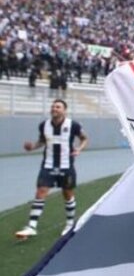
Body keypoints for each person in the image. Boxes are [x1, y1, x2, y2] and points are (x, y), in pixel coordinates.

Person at [15, 99, 89, 239]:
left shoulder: (73, 125)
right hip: (48, 165)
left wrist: (79, 149)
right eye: (53, 106)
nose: (54, 109)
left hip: (66, 165)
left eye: (58, 107)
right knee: (41, 191)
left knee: (67, 194)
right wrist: (32, 147)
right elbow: (42, 141)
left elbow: (84, 138)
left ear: (64, 110)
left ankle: (69, 224)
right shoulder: (43, 125)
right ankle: (31, 226)